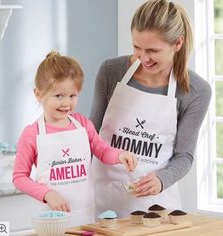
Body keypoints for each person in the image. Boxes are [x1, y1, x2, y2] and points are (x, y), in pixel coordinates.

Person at [90, 0, 212, 217]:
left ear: (177, 43)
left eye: (153, 50)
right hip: (103, 202)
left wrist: (161, 180)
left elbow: (184, 156)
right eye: (137, 47)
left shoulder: (196, 91)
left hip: (155, 205)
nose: (143, 58)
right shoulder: (111, 71)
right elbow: (90, 135)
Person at [12, 51, 137, 226]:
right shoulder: (32, 133)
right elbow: (19, 177)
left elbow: (101, 150)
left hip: (86, 216)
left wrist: (119, 155)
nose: (66, 103)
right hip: (52, 219)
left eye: (72, 95)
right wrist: (47, 194)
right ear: (38, 94)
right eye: (58, 96)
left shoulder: (82, 124)